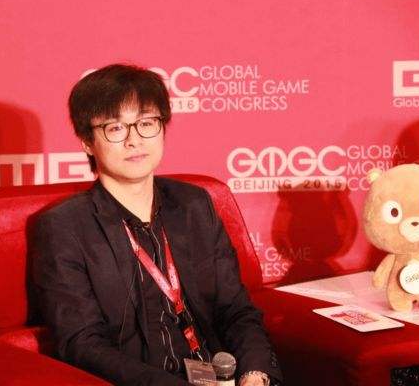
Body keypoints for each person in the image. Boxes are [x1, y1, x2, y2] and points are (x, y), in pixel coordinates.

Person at [29, 64, 282, 386]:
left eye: (146, 123)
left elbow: (235, 309)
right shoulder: (65, 227)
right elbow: (82, 343)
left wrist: (255, 373)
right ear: (87, 141)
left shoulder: (194, 205)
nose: (134, 140)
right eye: (115, 128)